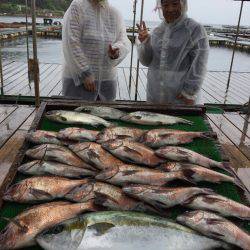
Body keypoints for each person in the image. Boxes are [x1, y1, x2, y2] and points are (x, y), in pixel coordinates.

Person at [137, 0, 209, 105]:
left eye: (175, 4)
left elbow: (200, 64)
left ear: (183, 4)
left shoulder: (194, 29)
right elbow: (146, 61)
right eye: (165, 5)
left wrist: (189, 92)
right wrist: (145, 42)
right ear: (161, 7)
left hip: (181, 97)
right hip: (155, 96)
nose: (170, 9)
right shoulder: (157, 31)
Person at [62, 0, 130, 101]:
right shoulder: (78, 6)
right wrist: (84, 73)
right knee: (75, 114)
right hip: (78, 82)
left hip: (107, 82)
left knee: (104, 115)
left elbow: (123, 40)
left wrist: (116, 51)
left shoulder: (114, 13)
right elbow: (71, 41)